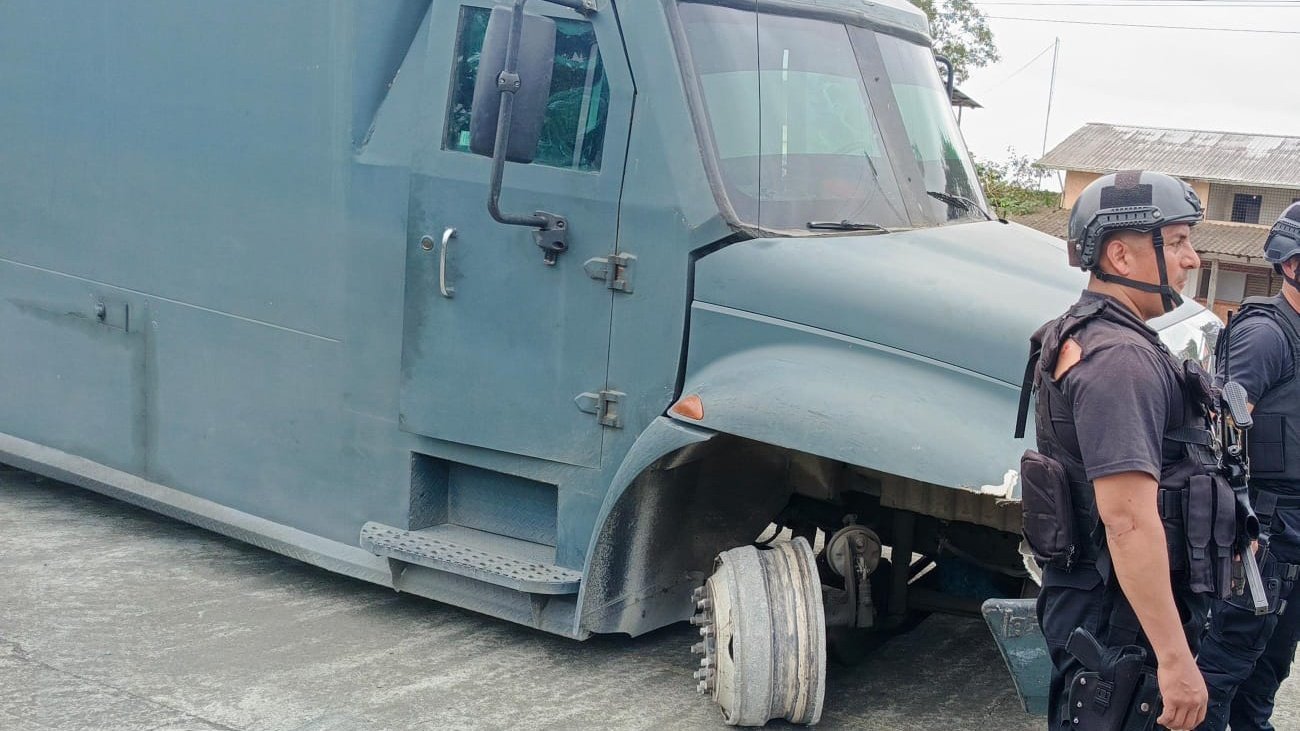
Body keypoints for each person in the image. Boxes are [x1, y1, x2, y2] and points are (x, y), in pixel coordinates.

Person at [1016, 170, 1239, 730]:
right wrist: (1174, 659)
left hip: (1108, 608)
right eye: (1179, 240)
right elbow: (1128, 522)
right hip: (1120, 622)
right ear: (1120, 254)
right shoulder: (1119, 359)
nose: (1191, 259)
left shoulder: (1098, 335)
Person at [1196, 202, 1300, 731]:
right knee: (1222, 670)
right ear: (1292, 266)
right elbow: (1219, 435)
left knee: (1268, 672)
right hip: (1266, 529)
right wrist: (1238, 525)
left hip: (1294, 533)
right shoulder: (1268, 335)